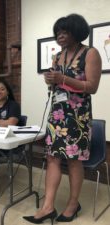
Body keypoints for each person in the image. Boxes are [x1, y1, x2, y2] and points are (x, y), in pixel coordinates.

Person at [23, 14, 101, 224]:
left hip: (78, 117)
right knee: (52, 158)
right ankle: (48, 207)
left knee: (74, 161)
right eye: (57, 33)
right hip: (57, 115)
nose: (60, 36)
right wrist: (51, 81)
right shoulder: (57, 56)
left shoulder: (90, 53)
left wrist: (63, 78)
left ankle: (73, 204)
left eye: (64, 32)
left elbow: (92, 87)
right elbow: (58, 86)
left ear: (77, 31)